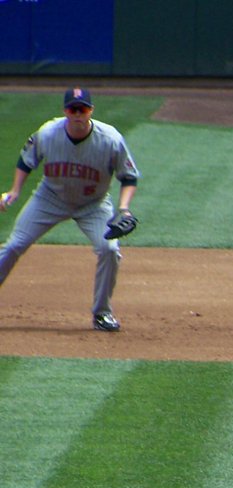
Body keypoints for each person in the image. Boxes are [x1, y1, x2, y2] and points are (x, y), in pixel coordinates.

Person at [0, 88, 139, 332]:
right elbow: (26, 161)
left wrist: (124, 209)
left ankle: (102, 313)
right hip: (49, 198)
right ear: (65, 111)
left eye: (82, 109)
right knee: (13, 246)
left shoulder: (110, 139)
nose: (77, 114)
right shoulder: (48, 133)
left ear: (91, 111)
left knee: (109, 249)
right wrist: (15, 191)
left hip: (93, 204)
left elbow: (129, 177)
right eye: (72, 109)